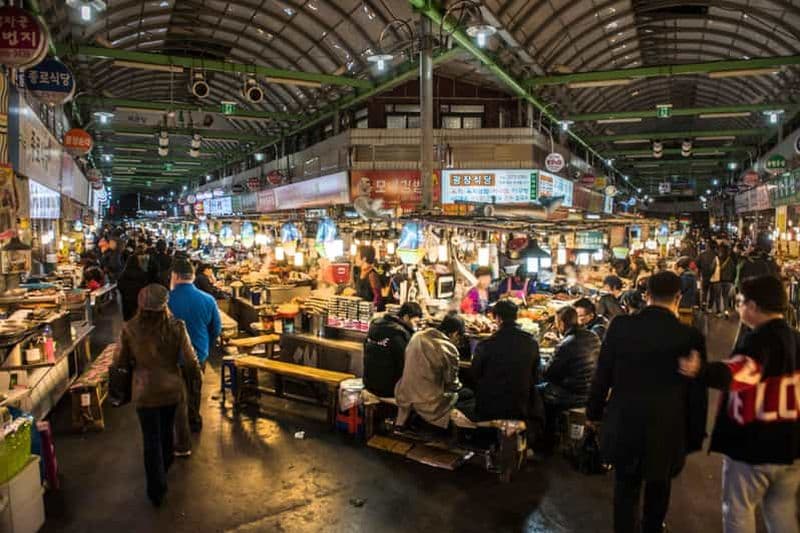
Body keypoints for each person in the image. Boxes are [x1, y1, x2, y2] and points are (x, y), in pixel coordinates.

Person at [586, 271, 708, 533]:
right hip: (667, 426)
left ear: (646, 295)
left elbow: (602, 374)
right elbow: (697, 393)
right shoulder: (689, 336)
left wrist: (593, 413)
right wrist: (695, 435)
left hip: (625, 421)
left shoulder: (620, 326)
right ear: (678, 297)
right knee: (659, 488)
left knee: (625, 489)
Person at [679, 276, 800, 533]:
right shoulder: (796, 339)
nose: (738, 308)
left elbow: (742, 372)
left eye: (741, 302)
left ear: (754, 306)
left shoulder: (759, 342)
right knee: (781, 512)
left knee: (738, 509)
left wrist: (700, 369)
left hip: (755, 447)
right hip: (791, 446)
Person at [112, 284, 201, 506]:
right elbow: (190, 360)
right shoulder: (177, 327)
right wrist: (195, 381)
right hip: (172, 390)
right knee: (166, 433)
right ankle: (165, 464)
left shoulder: (129, 329)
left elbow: (119, 362)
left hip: (144, 392)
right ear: (165, 304)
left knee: (150, 439)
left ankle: (156, 490)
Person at [168, 257, 221, 445]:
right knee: (194, 389)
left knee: (174, 392)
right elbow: (216, 328)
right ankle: (194, 421)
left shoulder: (165, 300)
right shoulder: (208, 299)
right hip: (199, 354)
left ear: (174, 276)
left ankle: (176, 428)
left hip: (171, 357)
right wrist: (206, 344)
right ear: (192, 276)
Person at [395, 312, 469, 429]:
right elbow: (452, 383)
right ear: (454, 333)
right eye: (460, 337)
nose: (459, 341)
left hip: (405, 393)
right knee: (467, 394)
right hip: (428, 401)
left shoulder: (417, 336)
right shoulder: (448, 348)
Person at [539, 306, 601, 445]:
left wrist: (540, 362)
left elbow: (548, 373)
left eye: (556, 323)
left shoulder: (566, 344)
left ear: (561, 323)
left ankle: (546, 439)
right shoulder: (592, 336)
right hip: (591, 389)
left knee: (538, 390)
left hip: (572, 394)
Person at [471, 300, 541, 423]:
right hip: (521, 407)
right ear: (516, 316)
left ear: (497, 318)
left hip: (491, 407)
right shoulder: (531, 343)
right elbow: (536, 376)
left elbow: (475, 374)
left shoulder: (485, 345)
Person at [363, 302, 423, 398]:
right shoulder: (399, 335)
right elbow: (406, 366)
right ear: (406, 317)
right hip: (388, 390)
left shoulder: (375, 327)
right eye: (416, 322)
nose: (416, 327)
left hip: (368, 384)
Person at [117, 253, 152, 322]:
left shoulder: (123, 274)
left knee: (128, 318)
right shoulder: (142, 273)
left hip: (126, 300)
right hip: (138, 299)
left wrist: (124, 293)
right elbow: (146, 285)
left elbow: (119, 286)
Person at [354, 245, 384, 312]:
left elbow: (378, 297)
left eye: (357, 256)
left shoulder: (372, 274)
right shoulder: (359, 273)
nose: (355, 258)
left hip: (369, 313)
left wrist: (372, 310)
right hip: (359, 312)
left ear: (364, 258)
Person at [697, 240, 718, 309]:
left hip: (704, 275)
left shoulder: (702, 254)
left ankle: (703, 304)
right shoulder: (716, 255)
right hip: (714, 276)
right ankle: (710, 307)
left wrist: (699, 272)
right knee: (712, 292)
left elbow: (698, 264)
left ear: (708, 246)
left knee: (704, 291)